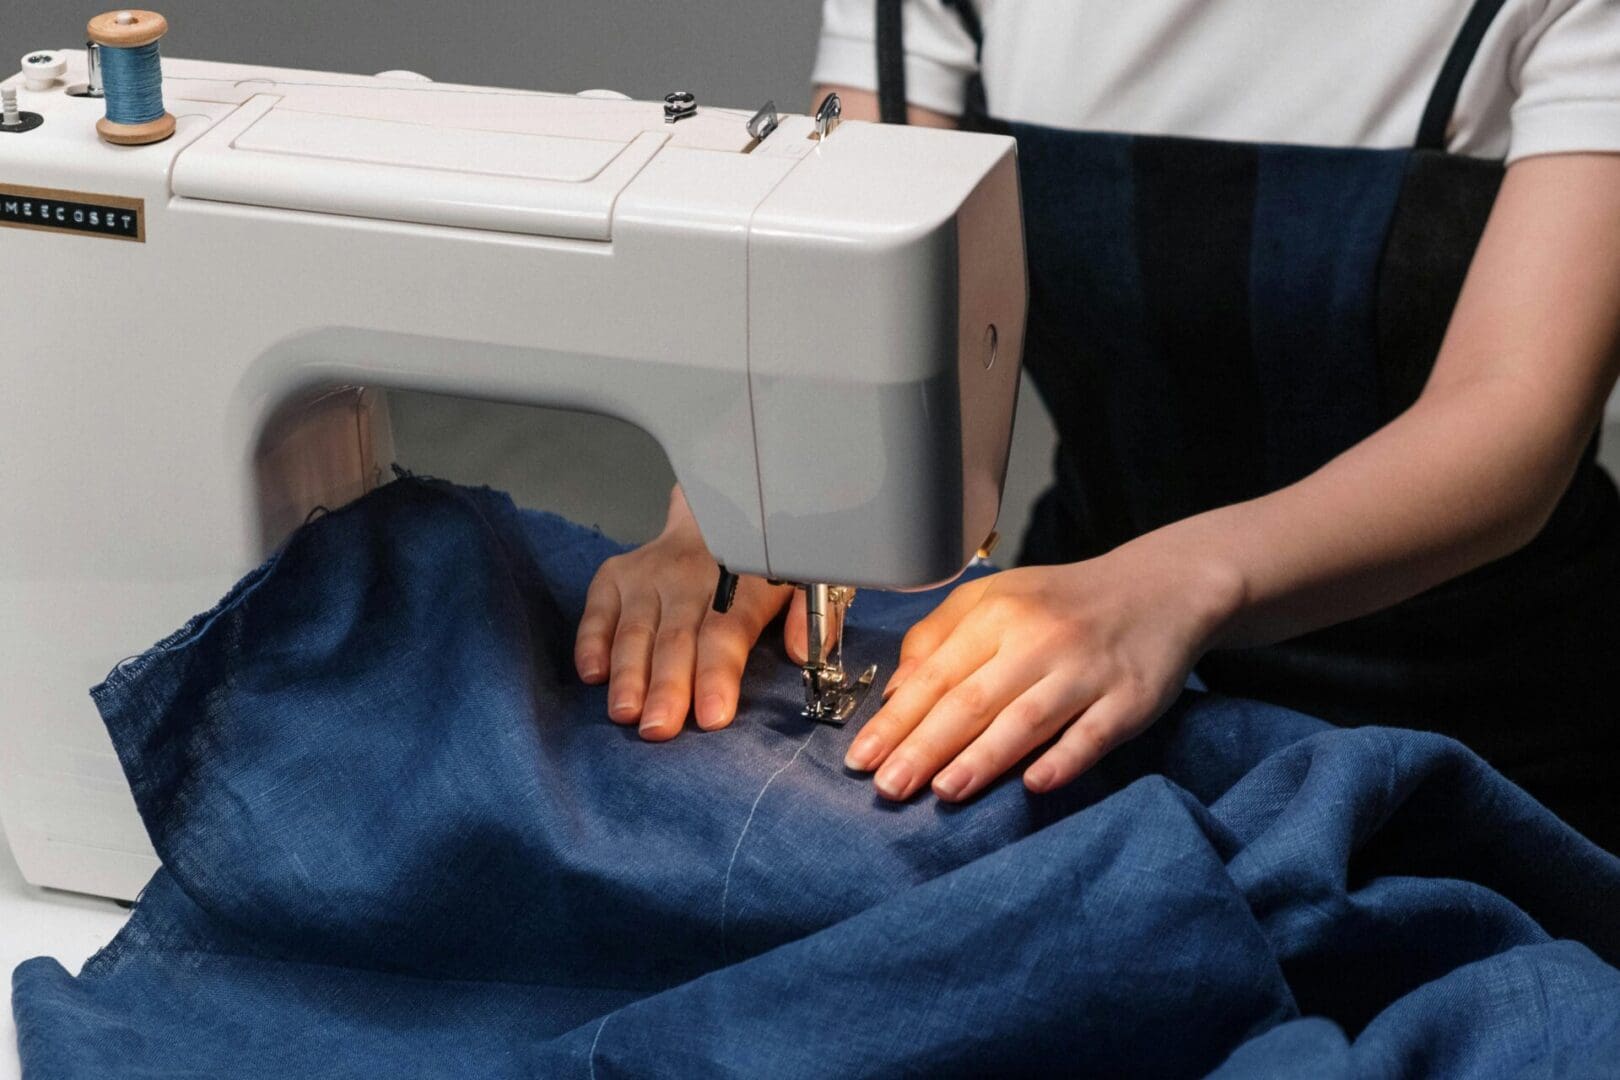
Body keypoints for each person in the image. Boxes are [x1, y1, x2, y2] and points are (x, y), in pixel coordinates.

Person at [575, 0, 1620, 848]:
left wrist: (1172, 586)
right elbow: (832, 307)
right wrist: (724, 511)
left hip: (1487, 719)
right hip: (1073, 652)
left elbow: (1511, 414)